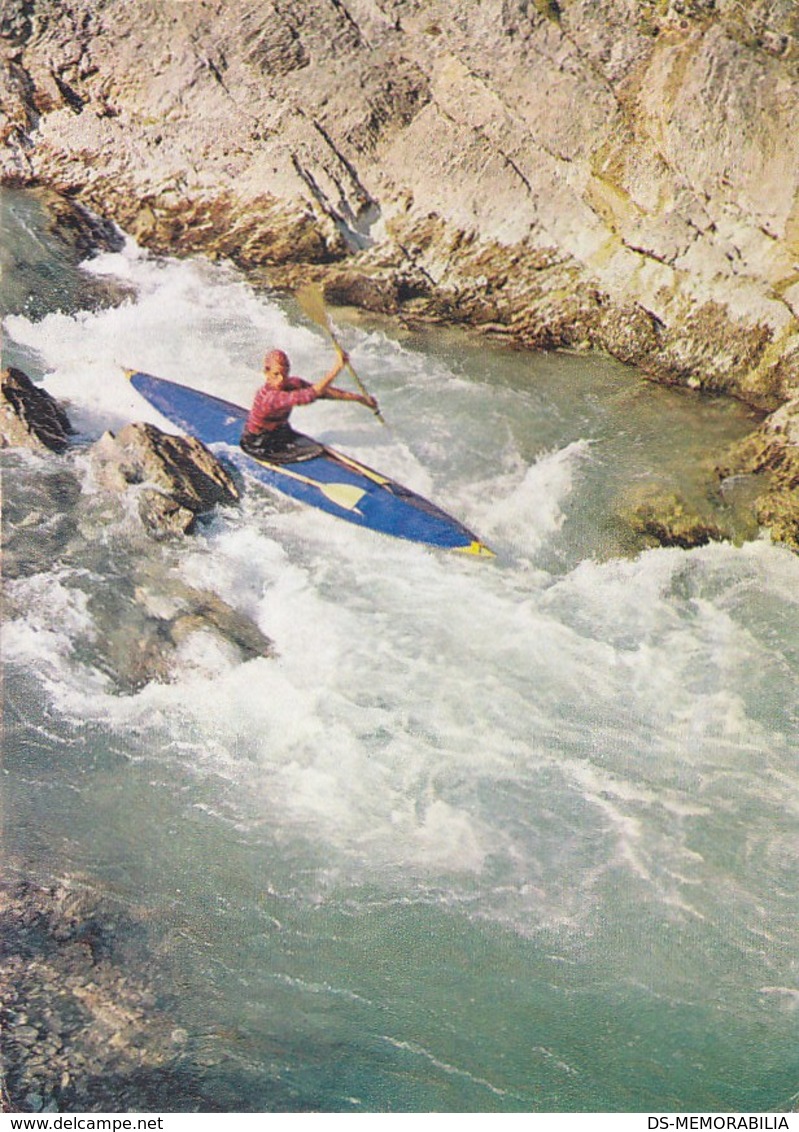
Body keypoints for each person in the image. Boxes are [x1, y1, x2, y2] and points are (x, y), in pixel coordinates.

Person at [240, 347, 377, 461]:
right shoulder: (269, 397)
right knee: (311, 452)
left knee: (315, 450)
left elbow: (324, 392)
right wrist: (337, 368)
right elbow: (309, 395)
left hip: (279, 432)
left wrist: (360, 399)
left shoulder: (293, 383)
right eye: (276, 374)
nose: (281, 379)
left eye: (285, 373)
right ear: (266, 372)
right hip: (258, 442)